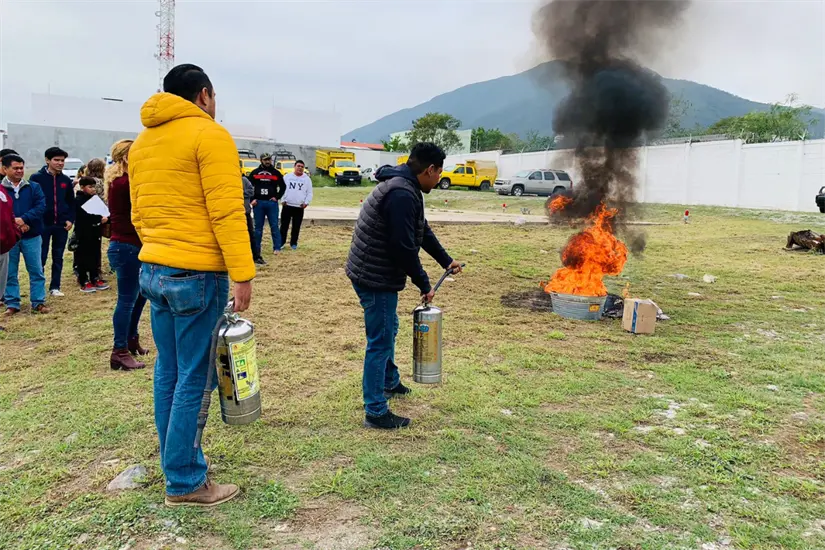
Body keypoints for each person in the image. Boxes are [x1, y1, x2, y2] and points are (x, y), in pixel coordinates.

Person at [130, 63, 254, 507]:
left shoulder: (142, 142)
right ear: (204, 95)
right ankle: (184, 480)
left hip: (155, 268)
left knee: (168, 370)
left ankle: (176, 462)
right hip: (197, 274)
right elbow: (226, 211)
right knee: (193, 379)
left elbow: (139, 212)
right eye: (214, 97)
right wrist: (243, 271)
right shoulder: (210, 135)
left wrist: (160, 250)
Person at [346, 143, 462, 429]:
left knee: (389, 329)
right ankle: (375, 410)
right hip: (374, 276)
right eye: (439, 173)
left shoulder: (405, 186)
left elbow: (420, 230)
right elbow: (403, 246)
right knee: (381, 339)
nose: (439, 179)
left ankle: (389, 381)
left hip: (374, 271)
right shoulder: (400, 193)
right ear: (430, 169)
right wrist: (424, 283)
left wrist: (446, 261)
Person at [105, 139, 147, 371]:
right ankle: (119, 350)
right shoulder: (125, 183)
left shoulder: (122, 180)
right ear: (126, 157)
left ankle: (131, 340)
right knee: (127, 300)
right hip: (127, 246)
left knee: (140, 296)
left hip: (131, 246)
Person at [1, 154, 50, 315]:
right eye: (15, 168)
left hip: (32, 235)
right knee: (10, 271)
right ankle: (12, 302)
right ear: (5, 169)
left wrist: (24, 219)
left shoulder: (33, 187)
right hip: (10, 238)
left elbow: (40, 206)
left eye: (21, 168)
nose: (19, 171)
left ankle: (38, 301)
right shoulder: (1, 189)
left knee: (36, 270)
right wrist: (14, 224)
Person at [30, 146, 75, 297]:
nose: (60, 163)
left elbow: (71, 202)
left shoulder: (66, 180)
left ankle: (55, 286)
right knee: (40, 257)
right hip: (42, 225)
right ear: (47, 160)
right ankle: (38, 288)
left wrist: (70, 219)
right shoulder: (36, 178)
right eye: (56, 160)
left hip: (61, 225)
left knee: (58, 256)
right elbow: (32, 201)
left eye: (62, 160)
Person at [74, 177, 109, 293]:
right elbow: (84, 216)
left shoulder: (95, 199)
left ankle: (95, 277)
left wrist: (105, 218)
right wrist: (98, 218)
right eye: (90, 187)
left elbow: (102, 211)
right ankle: (83, 279)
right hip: (83, 234)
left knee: (95, 255)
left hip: (95, 232)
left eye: (94, 187)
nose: (93, 189)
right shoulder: (78, 200)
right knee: (83, 256)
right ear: (83, 187)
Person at [248, 152, 285, 263]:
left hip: (271, 203)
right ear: (261, 160)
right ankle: (257, 249)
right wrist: (252, 200)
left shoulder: (276, 173)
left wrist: (277, 197)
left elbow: (283, 186)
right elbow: (248, 187)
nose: (267, 161)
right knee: (258, 228)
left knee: (274, 225)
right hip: (258, 203)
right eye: (265, 160)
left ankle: (277, 248)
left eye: (269, 159)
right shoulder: (254, 173)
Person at [0, 150, 22, 329]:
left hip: (4, 246)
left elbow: (8, 213)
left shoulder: (2, 190)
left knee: (1, 283)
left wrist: (14, 232)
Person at [279, 160, 312, 250]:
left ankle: (293, 243)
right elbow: (282, 189)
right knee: (284, 225)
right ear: (294, 167)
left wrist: (306, 202)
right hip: (287, 205)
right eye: (298, 166)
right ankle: (281, 242)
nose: (300, 168)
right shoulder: (287, 177)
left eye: (302, 166)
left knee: (296, 226)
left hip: (299, 207)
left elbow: (309, 192)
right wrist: (282, 200)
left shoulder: (307, 179)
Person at [241, 174, 257, 262]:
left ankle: (255, 256)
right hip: (232, 214)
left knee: (251, 234)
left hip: (245, 212)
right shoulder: (227, 181)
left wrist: (240, 193)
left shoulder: (244, 180)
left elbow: (251, 191)